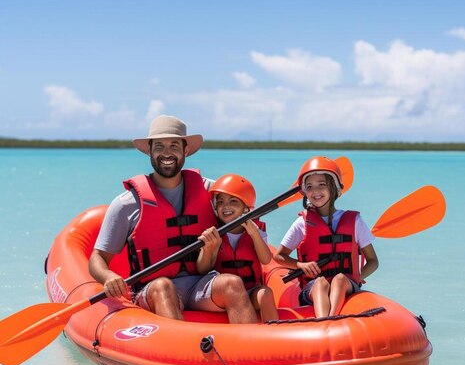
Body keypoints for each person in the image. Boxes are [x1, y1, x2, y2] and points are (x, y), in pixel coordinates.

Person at [89, 115, 258, 324]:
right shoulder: (126, 204)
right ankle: (180, 352)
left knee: (232, 283)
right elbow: (98, 258)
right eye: (159, 146)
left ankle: (250, 351)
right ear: (149, 151)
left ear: (185, 150)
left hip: (200, 284)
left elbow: (243, 209)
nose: (167, 153)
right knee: (164, 287)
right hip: (151, 289)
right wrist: (108, 277)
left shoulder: (211, 192)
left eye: (174, 146)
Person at [274, 156, 379, 317]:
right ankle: (325, 322)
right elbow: (279, 256)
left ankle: (331, 319)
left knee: (339, 279)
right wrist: (301, 265)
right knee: (321, 282)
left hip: (347, 283)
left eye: (321, 185)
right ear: (305, 193)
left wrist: (359, 277)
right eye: (309, 187)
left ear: (334, 188)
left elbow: (373, 261)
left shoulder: (355, 221)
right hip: (313, 287)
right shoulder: (302, 223)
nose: (315, 191)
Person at [197, 174, 279, 322]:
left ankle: (273, 335)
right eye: (220, 202)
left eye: (233, 201)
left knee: (265, 293)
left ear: (246, 208)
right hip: (226, 294)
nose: (225, 206)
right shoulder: (213, 232)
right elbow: (202, 270)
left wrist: (254, 234)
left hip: (251, 290)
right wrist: (210, 248)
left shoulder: (256, 230)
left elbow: (266, 260)